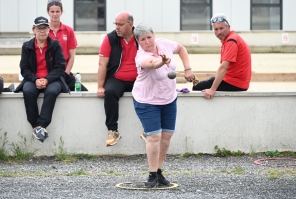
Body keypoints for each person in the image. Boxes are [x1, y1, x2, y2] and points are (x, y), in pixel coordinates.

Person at [132, 23, 194, 187]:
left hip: (168, 99)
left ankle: (159, 172)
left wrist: (187, 68)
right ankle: (152, 175)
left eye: (149, 37)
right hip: (147, 101)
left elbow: (181, 48)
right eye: (143, 39)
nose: (147, 41)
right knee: (154, 136)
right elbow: (151, 64)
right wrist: (162, 61)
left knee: (166, 137)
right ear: (138, 42)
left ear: (154, 35)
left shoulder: (164, 43)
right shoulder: (140, 56)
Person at [14, 16, 70, 143]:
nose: (42, 31)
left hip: (52, 79)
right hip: (33, 79)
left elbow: (60, 67)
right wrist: (35, 80)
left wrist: (46, 79)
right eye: (39, 28)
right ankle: (35, 125)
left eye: (45, 28)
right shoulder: (27, 46)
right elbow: (24, 68)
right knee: (27, 91)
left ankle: (42, 125)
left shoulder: (55, 45)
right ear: (33, 30)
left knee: (51, 91)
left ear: (49, 30)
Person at [97, 11, 138, 147]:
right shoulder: (110, 38)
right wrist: (100, 86)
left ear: (130, 24)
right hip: (117, 78)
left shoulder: (140, 37)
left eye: (120, 24)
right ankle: (112, 131)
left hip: (139, 78)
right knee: (110, 92)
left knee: (151, 91)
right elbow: (102, 63)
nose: (117, 27)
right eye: (116, 24)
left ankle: (149, 130)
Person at [192, 13, 251, 99]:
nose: (219, 32)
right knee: (208, 81)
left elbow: (223, 67)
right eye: (216, 29)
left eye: (221, 28)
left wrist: (212, 90)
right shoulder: (230, 39)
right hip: (236, 81)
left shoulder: (231, 40)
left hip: (235, 83)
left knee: (198, 87)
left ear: (228, 27)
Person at [47, 0, 88, 91]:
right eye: (52, 11)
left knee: (84, 92)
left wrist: (66, 73)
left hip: (64, 72)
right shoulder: (44, 31)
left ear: (62, 12)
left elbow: (71, 57)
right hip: (48, 73)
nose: (55, 14)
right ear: (48, 12)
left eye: (57, 11)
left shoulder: (68, 30)